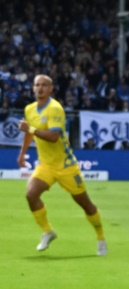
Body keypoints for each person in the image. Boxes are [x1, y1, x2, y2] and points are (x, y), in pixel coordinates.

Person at [16, 74, 107, 256]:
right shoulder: (30, 109)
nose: (40, 88)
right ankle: (48, 232)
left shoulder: (55, 108)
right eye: (37, 85)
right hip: (46, 166)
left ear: (51, 89)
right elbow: (29, 133)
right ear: (33, 88)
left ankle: (100, 238)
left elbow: (53, 136)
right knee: (31, 194)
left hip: (66, 166)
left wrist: (31, 129)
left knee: (85, 204)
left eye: (44, 85)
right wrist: (23, 153)